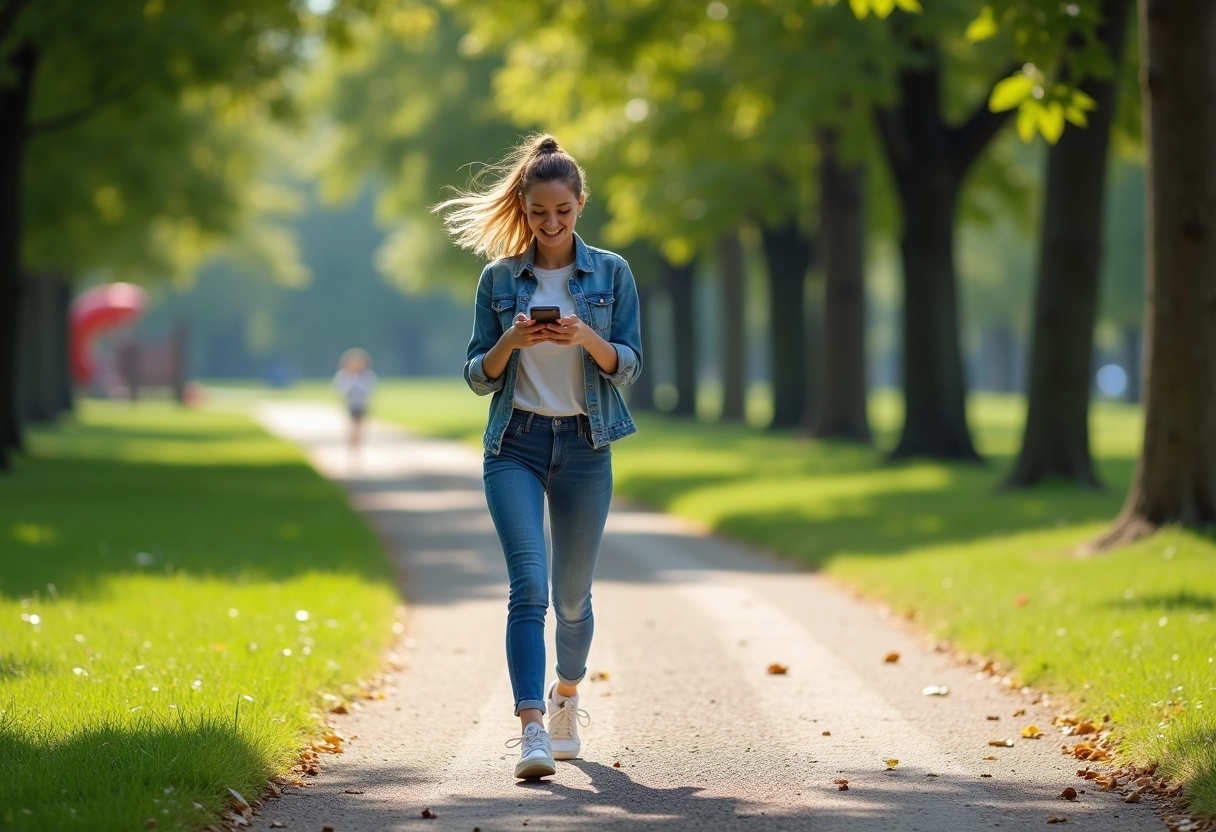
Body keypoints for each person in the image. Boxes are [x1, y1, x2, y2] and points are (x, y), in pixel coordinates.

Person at [436, 134, 642, 779]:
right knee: (527, 588)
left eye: (563, 212)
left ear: (581, 204)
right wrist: (512, 340)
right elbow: (477, 374)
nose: (550, 225)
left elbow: (629, 365)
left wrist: (587, 335)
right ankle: (530, 729)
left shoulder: (612, 273)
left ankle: (566, 697)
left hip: (585, 447)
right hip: (515, 445)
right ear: (523, 211)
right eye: (537, 213)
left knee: (572, 598)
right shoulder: (498, 279)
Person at [332, 348, 377, 455]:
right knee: (351, 427)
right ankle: (352, 445)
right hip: (349, 405)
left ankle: (357, 445)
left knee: (358, 427)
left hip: (361, 405)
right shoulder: (344, 375)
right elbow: (339, 390)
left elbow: (371, 390)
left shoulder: (367, 375)